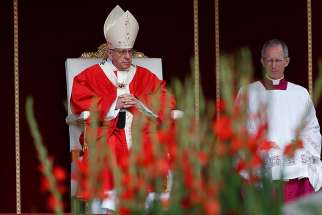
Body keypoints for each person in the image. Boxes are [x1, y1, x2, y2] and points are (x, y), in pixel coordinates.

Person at [70, 5, 176, 213]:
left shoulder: (145, 75)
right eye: (122, 52)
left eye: (130, 51)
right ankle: (110, 208)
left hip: (141, 134)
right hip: (108, 133)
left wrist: (141, 103)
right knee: (108, 148)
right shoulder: (90, 76)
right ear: (110, 52)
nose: (128, 56)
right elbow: (79, 98)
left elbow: (166, 99)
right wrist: (113, 104)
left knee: (152, 148)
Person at [239, 39, 322, 203]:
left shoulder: (300, 93)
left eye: (278, 60)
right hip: (263, 160)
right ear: (262, 61)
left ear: (286, 61)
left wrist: (299, 146)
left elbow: (311, 130)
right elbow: (241, 129)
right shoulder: (248, 92)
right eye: (270, 60)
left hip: (296, 166)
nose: (274, 65)